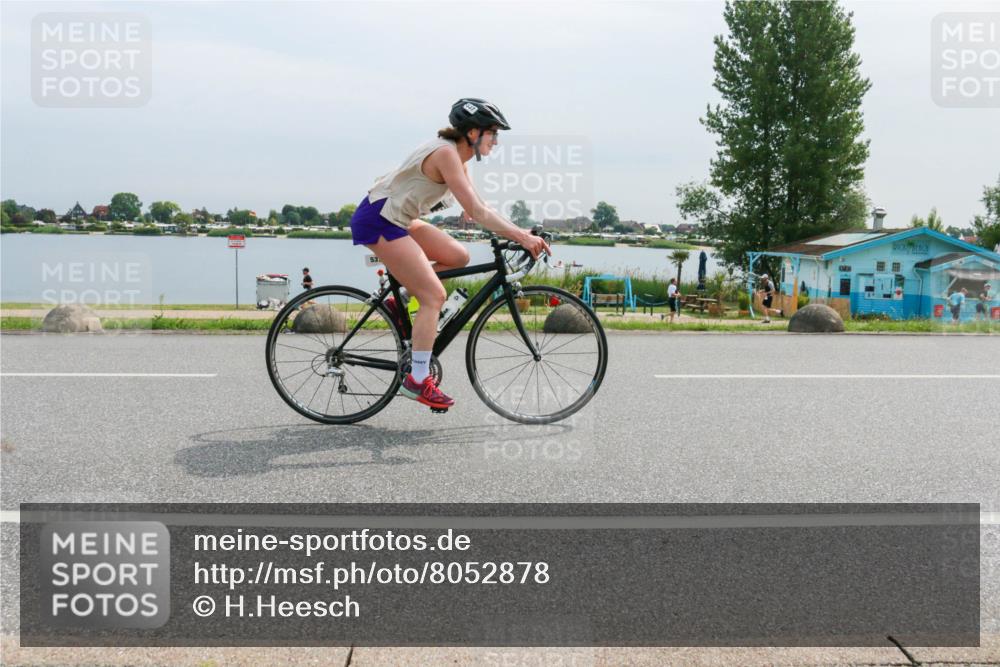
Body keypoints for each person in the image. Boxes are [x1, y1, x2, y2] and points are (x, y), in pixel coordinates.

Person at [349, 98, 550, 411]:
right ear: (472, 132)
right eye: (492, 133)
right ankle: (416, 380)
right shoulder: (446, 154)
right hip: (379, 219)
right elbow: (477, 210)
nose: (496, 141)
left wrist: (517, 230)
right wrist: (521, 237)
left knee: (458, 256)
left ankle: (397, 299)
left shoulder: (459, 158)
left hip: (400, 217)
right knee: (433, 297)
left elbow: (478, 206)